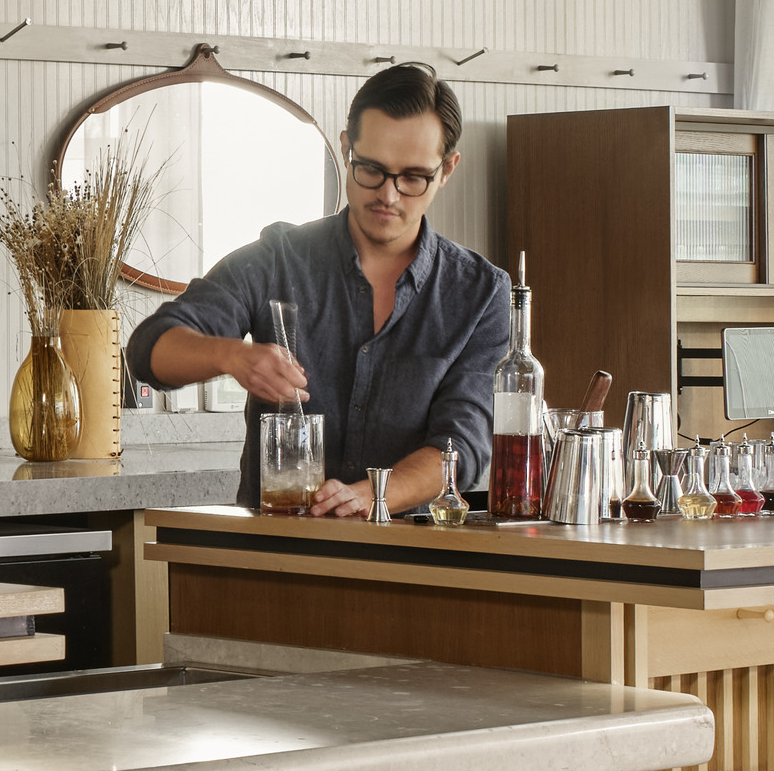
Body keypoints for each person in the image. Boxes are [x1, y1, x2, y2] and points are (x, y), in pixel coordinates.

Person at [123, 61, 509, 517]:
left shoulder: (480, 293)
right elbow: (149, 350)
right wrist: (233, 357)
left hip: (409, 562)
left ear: (446, 170)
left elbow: (461, 445)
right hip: (276, 554)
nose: (388, 194)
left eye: (412, 177)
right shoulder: (278, 258)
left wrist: (372, 495)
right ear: (346, 149)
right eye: (371, 169)